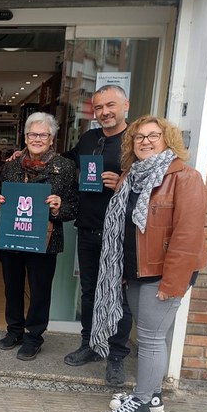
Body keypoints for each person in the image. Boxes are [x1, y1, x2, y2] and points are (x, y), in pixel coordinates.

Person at [93, 116, 206, 412]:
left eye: (153, 135)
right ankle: (153, 396)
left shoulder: (185, 177)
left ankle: (140, 407)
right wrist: (121, 268)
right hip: (135, 270)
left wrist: (172, 283)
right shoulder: (132, 176)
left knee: (151, 338)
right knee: (150, 336)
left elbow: (188, 236)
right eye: (139, 137)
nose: (145, 141)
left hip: (164, 273)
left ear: (168, 140)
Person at [62, 84, 133, 387]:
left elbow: (151, 187)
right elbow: (66, 160)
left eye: (110, 105)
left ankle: (116, 356)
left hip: (120, 233)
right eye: (99, 107)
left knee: (119, 295)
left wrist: (123, 183)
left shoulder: (136, 141)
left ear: (125, 105)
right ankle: (90, 345)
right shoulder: (89, 139)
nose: (104, 112)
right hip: (88, 227)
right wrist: (25, 154)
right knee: (89, 291)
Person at [0, 112, 78, 360]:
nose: (37, 139)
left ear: (52, 139)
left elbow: (74, 206)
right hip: (12, 236)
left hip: (45, 240)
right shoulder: (11, 165)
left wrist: (58, 207)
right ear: (25, 136)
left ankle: (34, 337)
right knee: (12, 286)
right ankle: (14, 330)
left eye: (43, 135)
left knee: (40, 290)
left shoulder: (64, 167)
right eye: (32, 134)